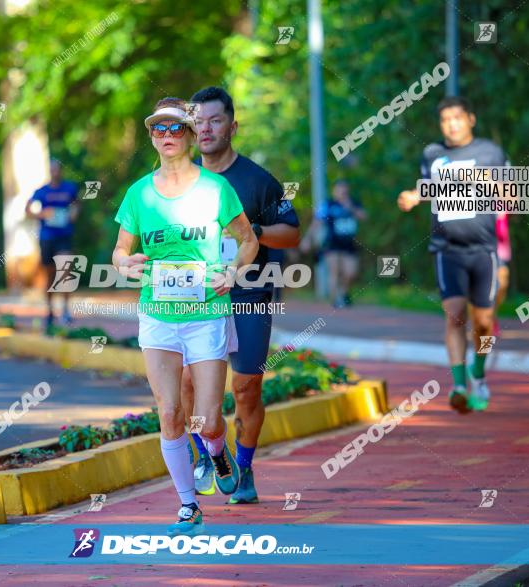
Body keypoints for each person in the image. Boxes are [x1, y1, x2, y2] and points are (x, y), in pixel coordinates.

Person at [112, 97, 258, 535]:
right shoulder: (138, 193)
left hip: (205, 315)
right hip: (157, 314)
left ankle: (217, 450)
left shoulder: (215, 190)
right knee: (170, 410)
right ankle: (188, 504)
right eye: (159, 129)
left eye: (176, 129)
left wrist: (232, 272)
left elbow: (247, 241)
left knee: (209, 418)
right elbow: (119, 251)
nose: (168, 136)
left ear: (191, 135)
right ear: (152, 137)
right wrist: (125, 263)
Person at [182, 86, 301, 504]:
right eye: (198, 121)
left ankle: (245, 468)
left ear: (233, 126)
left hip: (249, 292)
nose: (206, 128)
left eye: (215, 120)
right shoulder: (181, 180)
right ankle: (208, 455)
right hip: (196, 296)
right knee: (187, 383)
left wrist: (252, 232)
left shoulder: (258, 182)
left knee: (247, 387)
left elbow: (293, 233)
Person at [397, 96, 509, 413]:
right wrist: (412, 197)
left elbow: (511, 193)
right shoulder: (433, 154)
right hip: (447, 249)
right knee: (455, 314)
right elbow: (426, 188)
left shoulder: (490, 152)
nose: (452, 124)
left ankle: (479, 373)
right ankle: (459, 385)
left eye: (458, 118)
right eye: (446, 119)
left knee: (484, 323)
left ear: (470, 119)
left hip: (484, 248)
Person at [25, 160, 79, 330]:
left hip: (64, 236)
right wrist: (42, 213)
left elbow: (76, 204)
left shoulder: (69, 188)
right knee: (49, 276)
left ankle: (65, 310)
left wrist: (73, 214)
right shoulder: (42, 191)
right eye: (52, 170)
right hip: (47, 237)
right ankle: (49, 311)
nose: (55, 172)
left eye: (57, 169)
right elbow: (27, 209)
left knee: (66, 269)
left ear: (61, 171)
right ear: (49, 172)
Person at [304, 180, 366, 308]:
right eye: (340, 190)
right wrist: (307, 239)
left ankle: (344, 293)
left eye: (345, 190)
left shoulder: (353, 203)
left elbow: (363, 217)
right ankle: (335, 300)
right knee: (334, 272)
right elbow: (317, 222)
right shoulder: (328, 204)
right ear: (335, 191)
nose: (343, 192)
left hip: (349, 243)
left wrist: (351, 208)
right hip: (332, 243)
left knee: (351, 272)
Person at [493, 212, 511, 336]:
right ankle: (487, 319)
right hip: (483, 249)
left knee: (501, 285)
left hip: (501, 251)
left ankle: (490, 314)